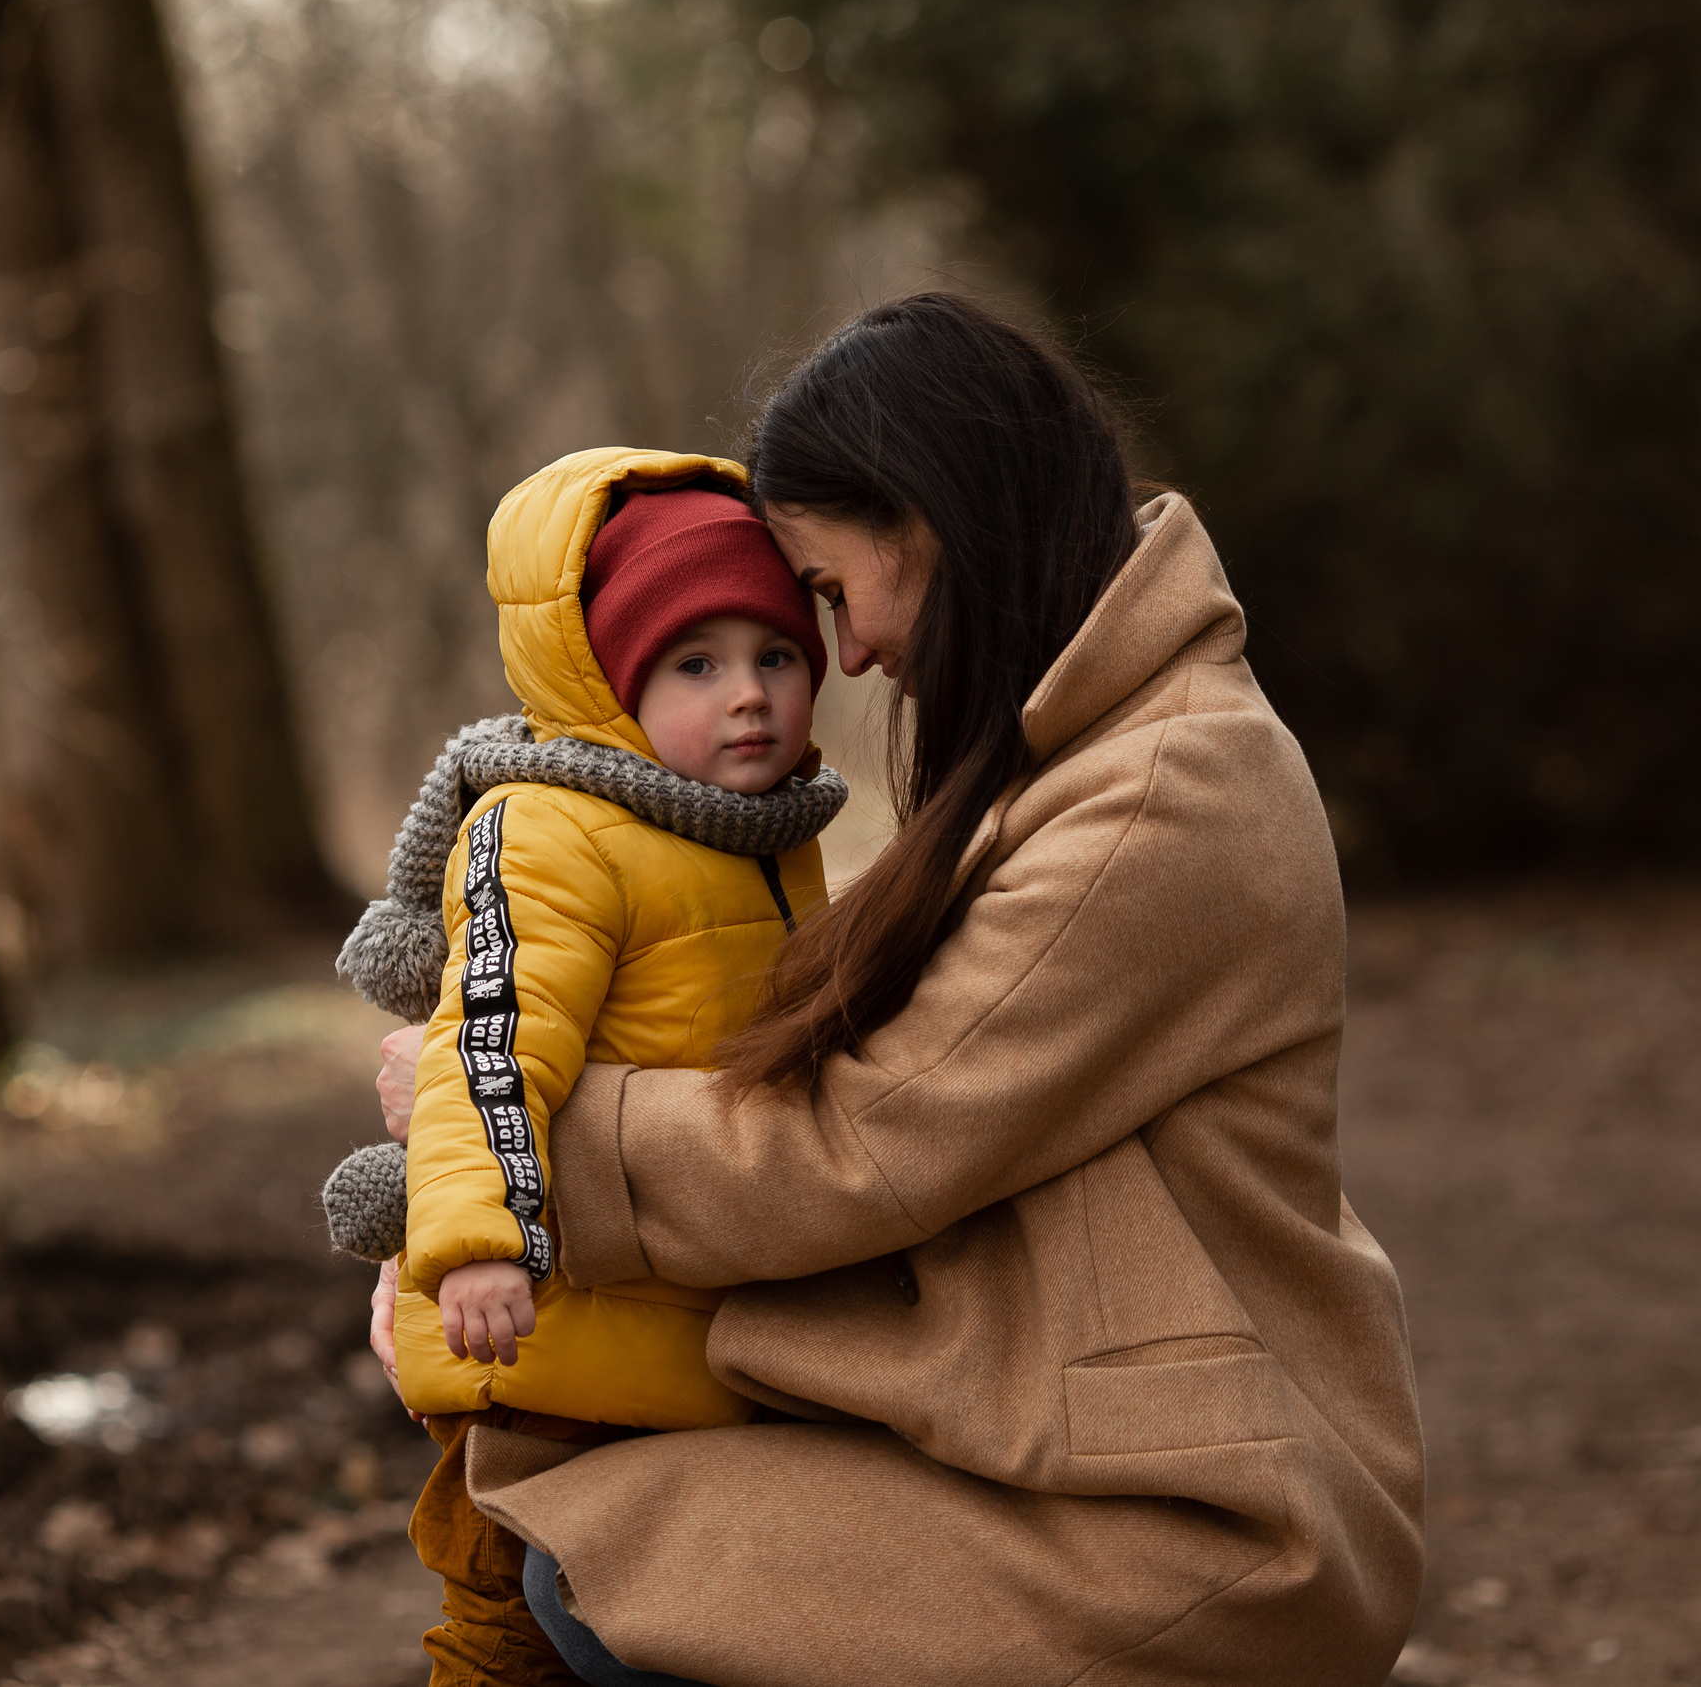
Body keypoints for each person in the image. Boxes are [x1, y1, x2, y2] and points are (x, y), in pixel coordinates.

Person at [371, 293, 1427, 1687]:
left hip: (1203, 1516)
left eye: (825, 595)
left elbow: (864, 1145)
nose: (850, 655)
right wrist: (475, 1217)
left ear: (928, 521)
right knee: (590, 1522)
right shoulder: (1088, 754)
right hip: (1089, 1445)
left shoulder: (1161, 793)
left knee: (599, 1566)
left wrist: (506, 1157)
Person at [347, 448, 839, 1687]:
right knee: (504, 1625)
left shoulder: (763, 833)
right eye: (696, 665)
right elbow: (489, 1047)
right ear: (612, 685)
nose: (749, 697)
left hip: (667, 1326)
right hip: (531, 1338)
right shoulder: (552, 832)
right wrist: (479, 1245)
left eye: (776, 656)